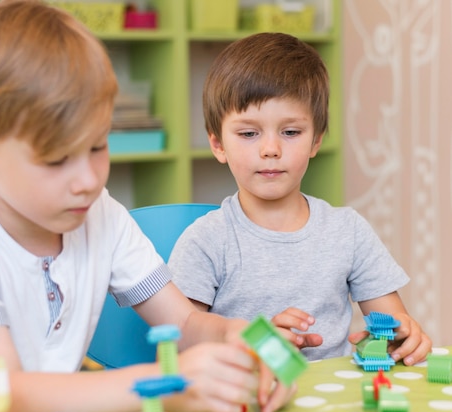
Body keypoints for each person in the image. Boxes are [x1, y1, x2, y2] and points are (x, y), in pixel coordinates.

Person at [0, 2, 295, 412]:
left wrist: (246, 343)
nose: (89, 180)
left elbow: (185, 324)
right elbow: (0, 393)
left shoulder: (101, 214)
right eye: (55, 160)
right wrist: (162, 384)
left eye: (97, 146)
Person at [168, 32, 432, 364]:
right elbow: (180, 343)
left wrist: (404, 340)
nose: (270, 149)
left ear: (316, 141)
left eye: (291, 132)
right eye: (249, 133)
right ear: (218, 144)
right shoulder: (205, 241)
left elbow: (393, 327)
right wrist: (258, 341)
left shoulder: (347, 231)